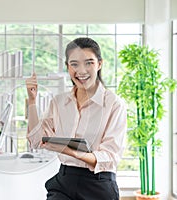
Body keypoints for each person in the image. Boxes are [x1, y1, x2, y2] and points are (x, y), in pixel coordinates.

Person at [26, 37, 127, 200]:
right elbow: (36, 140)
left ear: (99, 64)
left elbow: (109, 157)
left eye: (89, 63)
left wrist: (71, 151)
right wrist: (31, 102)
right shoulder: (58, 102)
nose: (81, 71)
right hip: (64, 181)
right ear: (67, 67)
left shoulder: (113, 104)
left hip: (98, 184)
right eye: (74, 64)